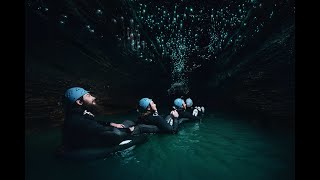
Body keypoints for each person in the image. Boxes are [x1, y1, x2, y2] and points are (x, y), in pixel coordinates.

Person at [61, 87, 142, 150]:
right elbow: (100, 129)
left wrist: (111, 123)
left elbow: (94, 123)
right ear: (79, 102)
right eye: (88, 96)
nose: (94, 97)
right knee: (118, 133)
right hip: (87, 142)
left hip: (92, 134)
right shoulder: (77, 119)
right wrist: (128, 130)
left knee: (126, 122)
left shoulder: (79, 113)